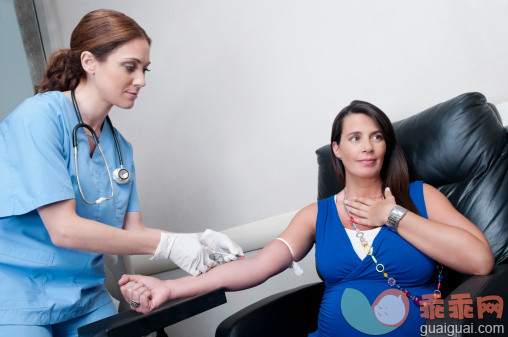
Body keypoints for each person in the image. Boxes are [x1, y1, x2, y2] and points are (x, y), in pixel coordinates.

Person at [119, 100, 494, 336]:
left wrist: (391, 215)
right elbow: (258, 266)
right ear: (337, 149)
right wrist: (170, 289)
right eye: (355, 137)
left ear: (387, 147)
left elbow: (480, 260)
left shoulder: (419, 196)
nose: (367, 146)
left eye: (377, 137)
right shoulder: (317, 216)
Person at [0, 9, 242, 337]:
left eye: (144, 69)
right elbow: (64, 231)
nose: (141, 80)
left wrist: (197, 241)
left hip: (84, 295)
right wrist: (169, 244)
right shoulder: (37, 120)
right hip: (17, 296)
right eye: (130, 67)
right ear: (89, 62)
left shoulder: (119, 147)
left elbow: (134, 231)